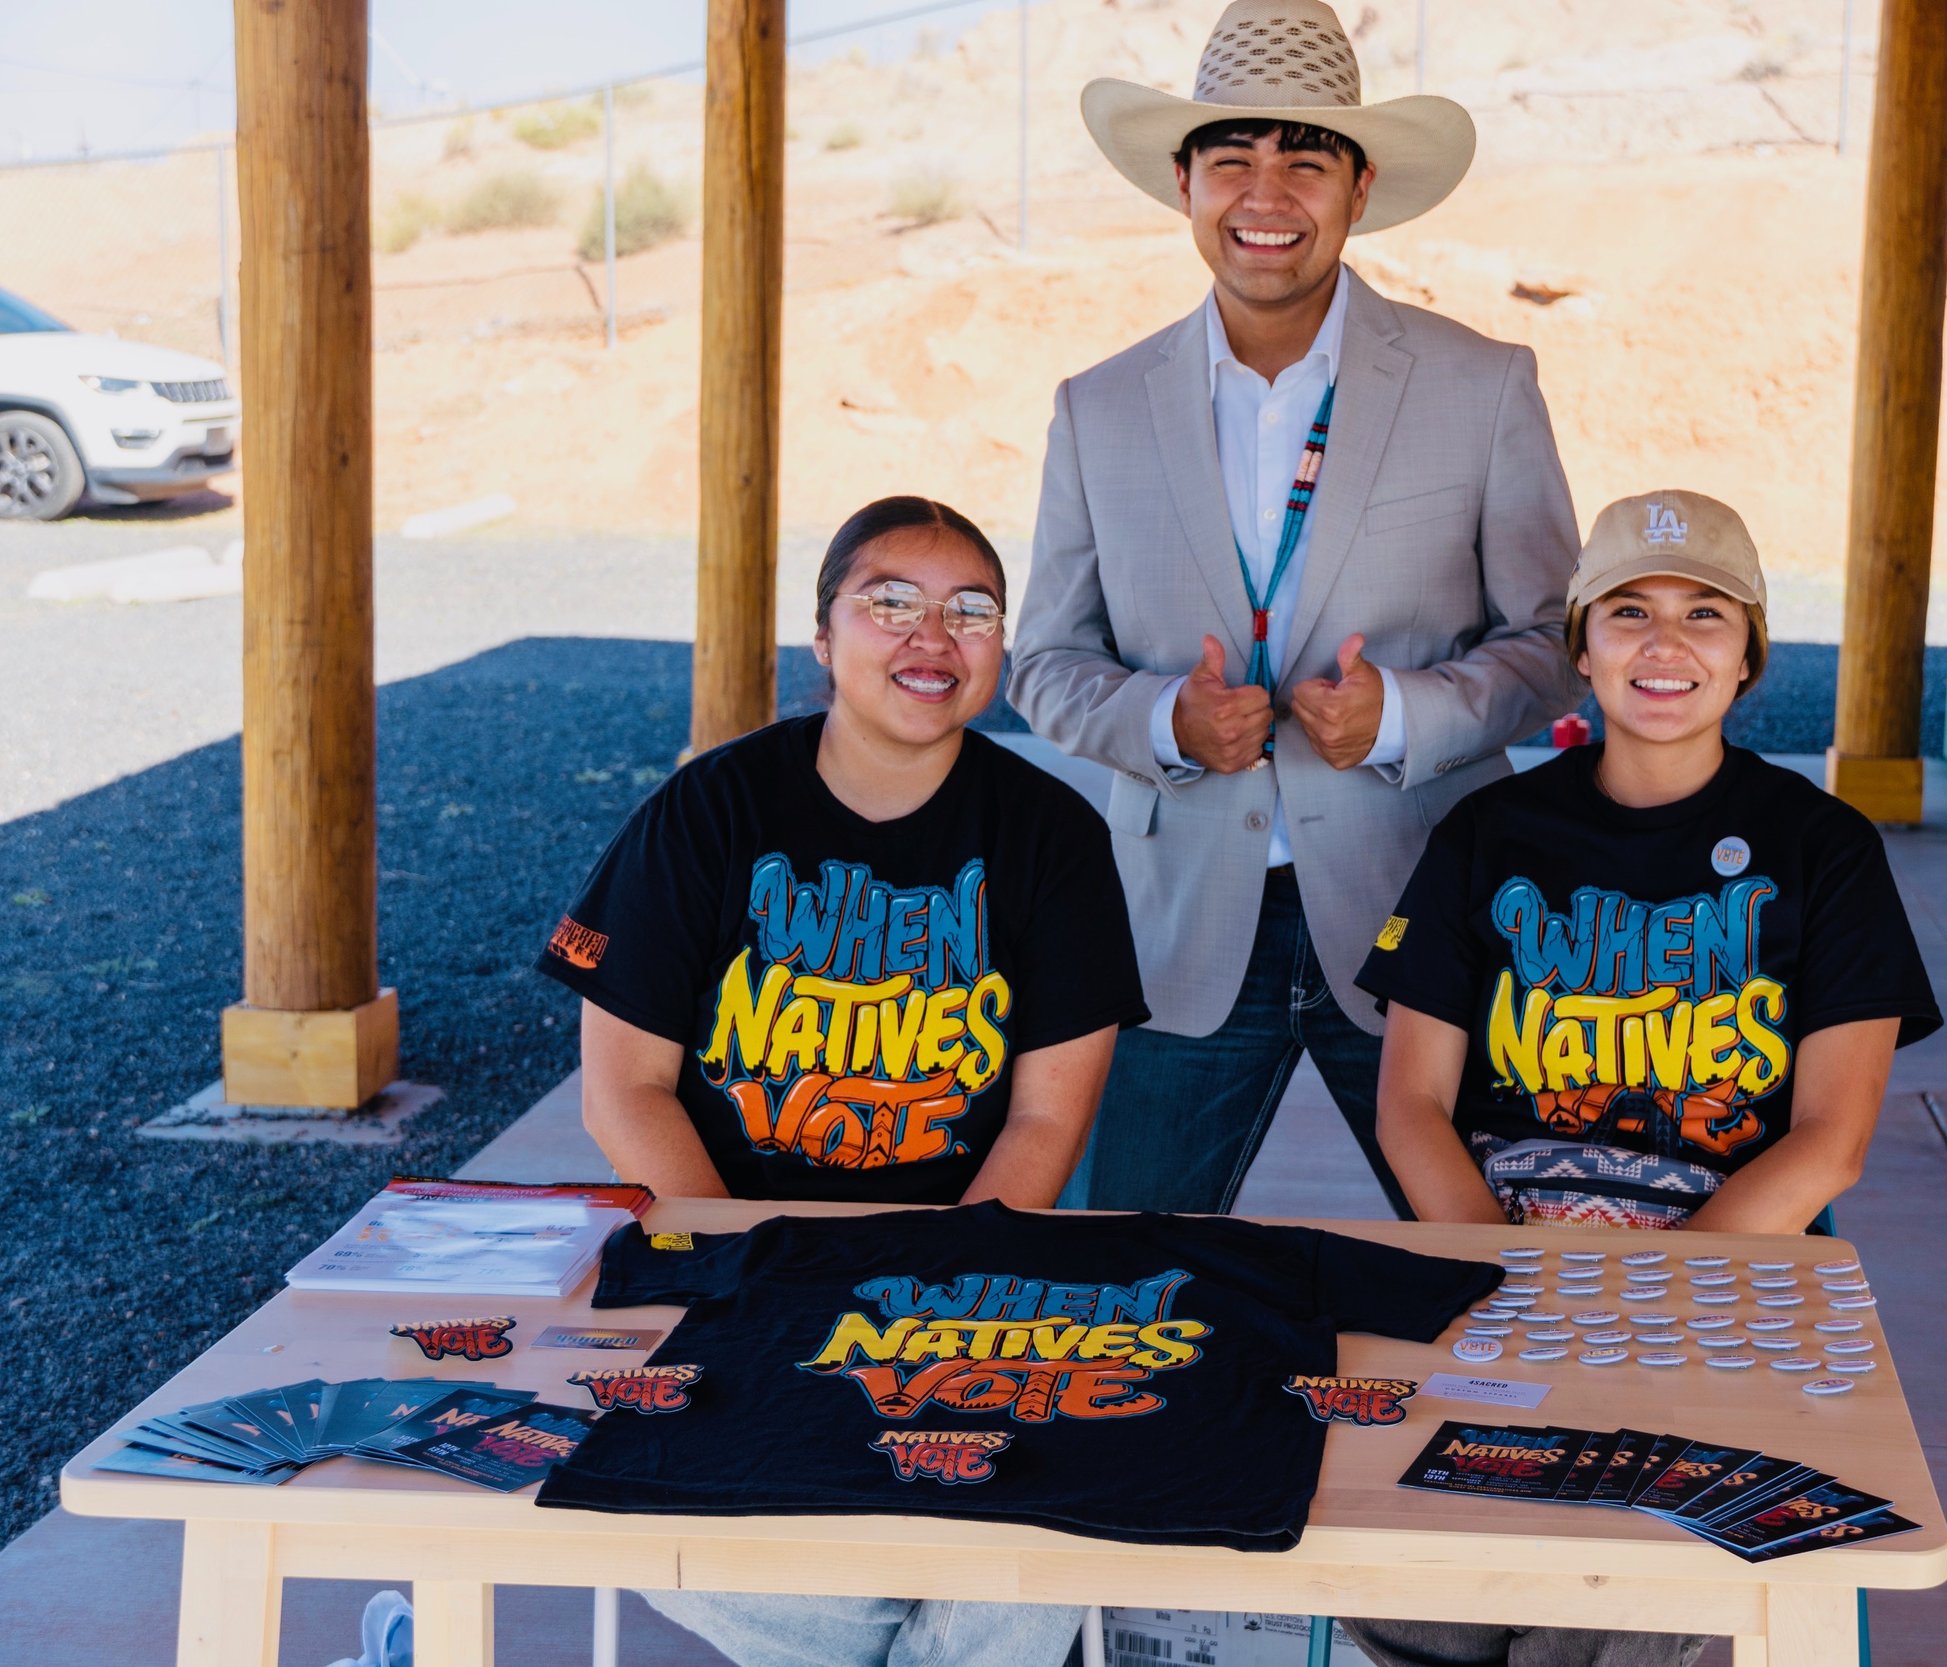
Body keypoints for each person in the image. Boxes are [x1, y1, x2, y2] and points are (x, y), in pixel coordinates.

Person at [537, 495, 1148, 1667]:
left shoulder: (1052, 835)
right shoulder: (707, 811)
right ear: (822, 637)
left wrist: (942, 1282)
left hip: (968, 1268)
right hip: (730, 1258)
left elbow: (1048, 1115)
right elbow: (626, 1091)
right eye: (890, 604)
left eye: (971, 611)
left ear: (999, 653)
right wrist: (760, 1269)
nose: (934, 637)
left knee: (1035, 1539)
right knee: (650, 1508)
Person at [1340, 490, 1942, 1667]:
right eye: (1628, 611)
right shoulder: (1488, 832)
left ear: (1750, 650)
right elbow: (1410, 1101)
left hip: (1715, 1290)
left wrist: (1648, 1301)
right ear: (1580, 645)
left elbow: (1831, 1138)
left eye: (1704, 614)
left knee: (1605, 1615)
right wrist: (1506, 1285)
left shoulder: (1823, 848)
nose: (1665, 644)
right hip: (1496, 1280)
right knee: (1416, 1599)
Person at [1010, 0, 1580, 1215]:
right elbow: (1045, 660)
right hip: (1179, 937)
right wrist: (1163, 721)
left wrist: (1405, 717)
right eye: (1232, 159)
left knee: (1489, 1278)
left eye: (1305, 159)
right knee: (1126, 1289)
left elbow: (1551, 644)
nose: (1266, 192)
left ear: (1359, 186)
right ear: (1184, 183)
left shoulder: (1483, 385)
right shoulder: (1095, 407)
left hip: (1422, 917)